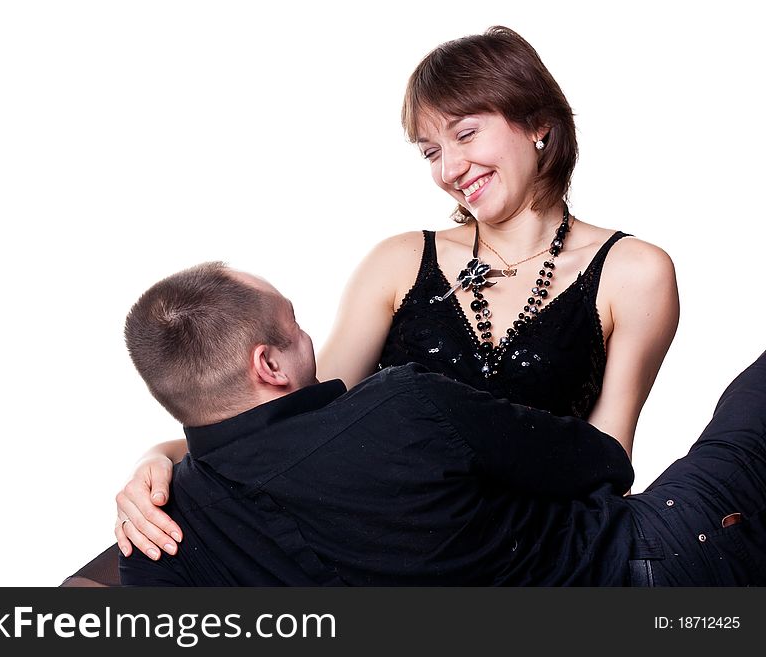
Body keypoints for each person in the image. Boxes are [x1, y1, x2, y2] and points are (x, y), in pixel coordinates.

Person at [61, 27, 679, 585]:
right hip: (380, 547)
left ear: (538, 121)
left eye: (465, 133)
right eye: (430, 151)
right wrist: (157, 457)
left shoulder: (634, 272)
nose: (451, 168)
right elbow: (299, 419)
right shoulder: (400, 259)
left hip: (525, 555)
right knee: (112, 582)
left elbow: (608, 455)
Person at [118, 262, 764, 586]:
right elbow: (600, 464)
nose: (309, 337)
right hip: (648, 565)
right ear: (269, 363)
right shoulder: (401, 403)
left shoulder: (159, 532)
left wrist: (161, 453)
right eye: (295, 326)